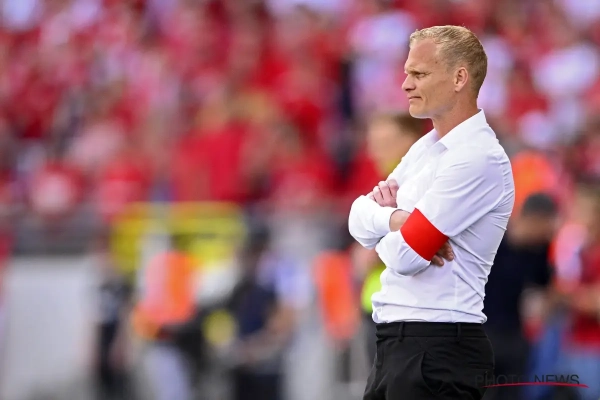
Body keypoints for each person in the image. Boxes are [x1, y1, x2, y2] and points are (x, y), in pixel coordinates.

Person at [348, 25, 515, 400]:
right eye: (407, 72)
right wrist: (396, 219)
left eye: (419, 74)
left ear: (459, 78)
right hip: (399, 344)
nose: (405, 84)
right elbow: (356, 216)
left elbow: (406, 256)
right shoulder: (427, 146)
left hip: (436, 346)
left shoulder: (478, 157)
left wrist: (384, 227)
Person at [355, 113, 425, 363]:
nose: (375, 152)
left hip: (405, 308)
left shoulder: (415, 184)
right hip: (378, 304)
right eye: (373, 144)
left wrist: (374, 247)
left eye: (384, 143)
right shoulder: (384, 182)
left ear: (411, 139)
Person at [483, 193, 559, 400]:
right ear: (534, 219)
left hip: (514, 335)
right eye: (546, 226)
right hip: (481, 332)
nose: (548, 233)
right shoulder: (492, 239)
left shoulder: (539, 249)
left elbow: (546, 286)